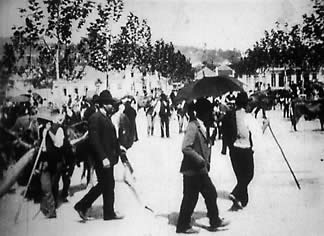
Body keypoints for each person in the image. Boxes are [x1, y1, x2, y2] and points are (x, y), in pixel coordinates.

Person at [176, 98, 230, 234]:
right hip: (192, 169)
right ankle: (183, 226)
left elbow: (204, 144)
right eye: (209, 111)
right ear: (203, 112)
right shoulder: (193, 126)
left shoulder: (203, 125)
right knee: (191, 198)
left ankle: (214, 220)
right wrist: (200, 160)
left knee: (209, 193)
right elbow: (186, 147)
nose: (211, 113)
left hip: (200, 170)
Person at [74, 90, 124, 221]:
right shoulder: (95, 118)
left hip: (109, 158)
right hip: (102, 159)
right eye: (109, 103)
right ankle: (82, 205)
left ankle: (109, 213)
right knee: (104, 184)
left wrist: (119, 151)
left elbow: (112, 138)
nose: (112, 106)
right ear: (103, 104)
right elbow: (95, 140)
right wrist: (103, 158)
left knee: (109, 184)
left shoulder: (106, 117)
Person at [228, 91, 269, 211]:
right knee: (249, 175)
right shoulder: (248, 117)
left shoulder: (231, 115)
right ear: (246, 104)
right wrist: (266, 124)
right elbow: (258, 133)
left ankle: (241, 202)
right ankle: (235, 193)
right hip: (245, 149)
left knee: (240, 177)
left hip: (233, 150)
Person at [37, 109, 66, 218]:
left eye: (42, 122)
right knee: (45, 186)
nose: (41, 124)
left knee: (53, 186)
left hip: (55, 161)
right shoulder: (41, 130)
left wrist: (49, 132)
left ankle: (50, 208)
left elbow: (58, 144)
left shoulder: (58, 130)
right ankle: (50, 210)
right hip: (45, 161)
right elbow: (41, 146)